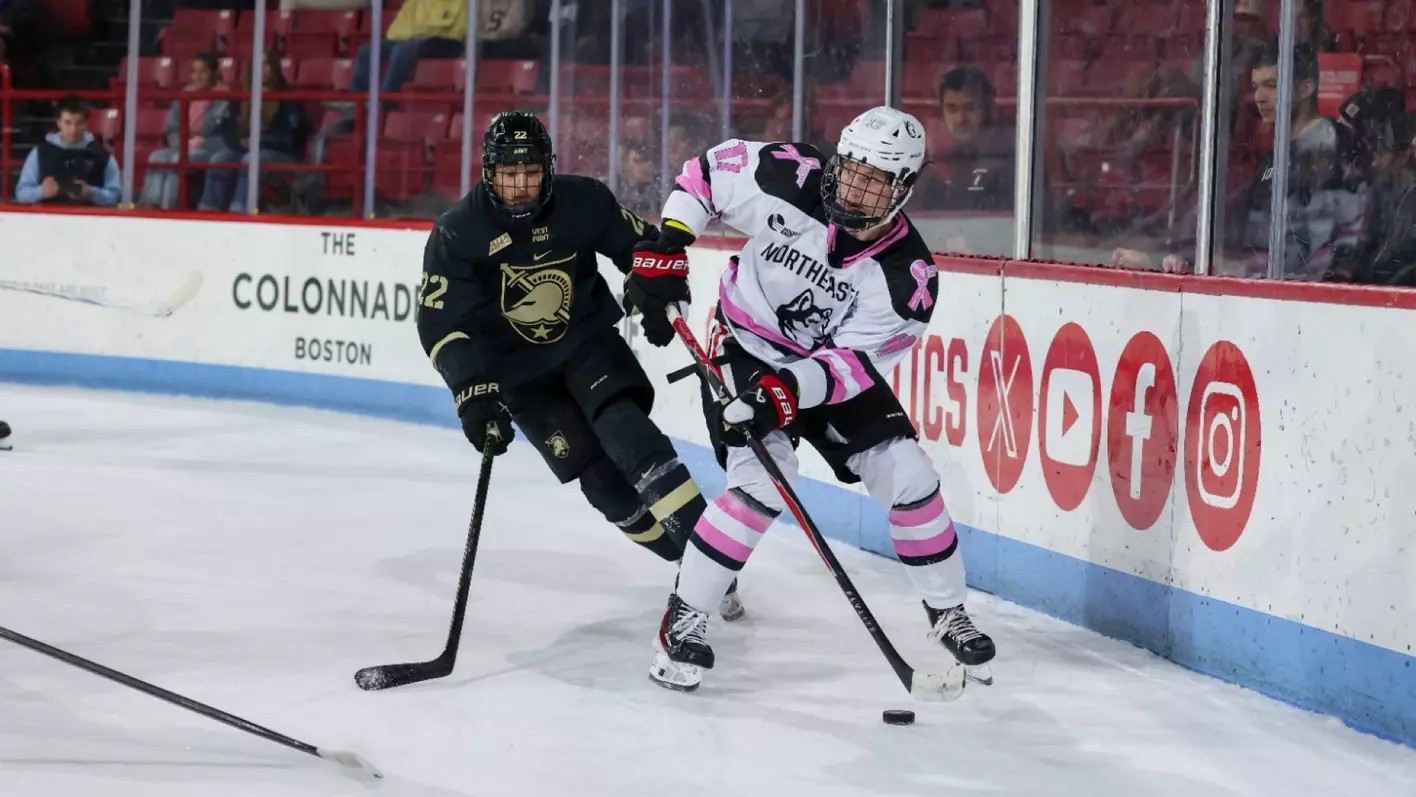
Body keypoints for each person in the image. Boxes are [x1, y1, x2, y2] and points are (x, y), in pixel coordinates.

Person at [625, 106, 995, 692]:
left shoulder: (909, 276)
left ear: (904, 188)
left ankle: (948, 612)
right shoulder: (789, 174)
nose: (853, 188)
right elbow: (704, 177)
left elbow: (853, 366)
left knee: (909, 475)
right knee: (761, 482)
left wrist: (790, 391)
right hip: (745, 345)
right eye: (850, 170)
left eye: (874, 181)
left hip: (825, 369)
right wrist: (670, 243)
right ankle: (684, 617)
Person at [416, 111, 744, 620]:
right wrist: (472, 392)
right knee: (605, 487)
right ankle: (691, 560)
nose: (520, 186)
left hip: (587, 345)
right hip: (521, 379)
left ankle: (712, 567)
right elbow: (441, 324)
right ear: (488, 172)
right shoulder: (458, 233)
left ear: (548, 170)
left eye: (530, 172)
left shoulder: (583, 201)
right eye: (509, 174)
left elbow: (643, 248)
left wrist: (656, 288)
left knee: (627, 433)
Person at [201, 54, 310, 214]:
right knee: (221, 158)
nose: (262, 69)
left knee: (251, 159)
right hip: (247, 150)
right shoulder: (242, 94)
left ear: (275, 67)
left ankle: (240, 211)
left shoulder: (289, 97)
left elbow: (290, 138)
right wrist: (241, 143)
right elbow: (228, 129)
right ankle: (208, 211)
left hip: (282, 153)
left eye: (267, 64)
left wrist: (259, 141)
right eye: (258, 64)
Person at [138, 53, 230, 210]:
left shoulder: (223, 96)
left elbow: (214, 131)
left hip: (209, 148)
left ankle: (170, 208)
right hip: (184, 145)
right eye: (194, 72)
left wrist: (194, 143)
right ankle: (151, 204)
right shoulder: (186, 93)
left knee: (178, 159)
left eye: (203, 72)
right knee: (157, 157)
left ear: (214, 73)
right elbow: (172, 126)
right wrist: (180, 143)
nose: (197, 77)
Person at [15, 96, 121, 208]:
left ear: (86, 123)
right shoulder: (38, 153)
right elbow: (21, 193)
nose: (73, 129)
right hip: (49, 218)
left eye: (79, 123)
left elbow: (115, 197)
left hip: (90, 218)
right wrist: (41, 191)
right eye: (67, 122)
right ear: (59, 123)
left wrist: (91, 193)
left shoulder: (104, 157)